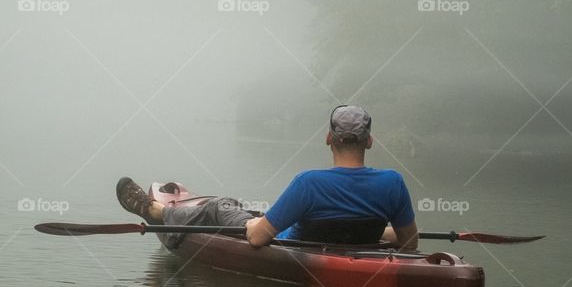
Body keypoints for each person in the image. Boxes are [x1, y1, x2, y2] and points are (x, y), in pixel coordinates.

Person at [116, 105, 420, 251]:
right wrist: (377, 235)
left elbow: (258, 239)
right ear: (370, 141)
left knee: (219, 205)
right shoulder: (392, 183)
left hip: (287, 243)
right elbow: (409, 242)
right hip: (345, 243)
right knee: (252, 211)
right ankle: (251, 215)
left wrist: (254, 226)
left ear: (329, 138)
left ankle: (157, 213)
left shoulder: (309, 183)